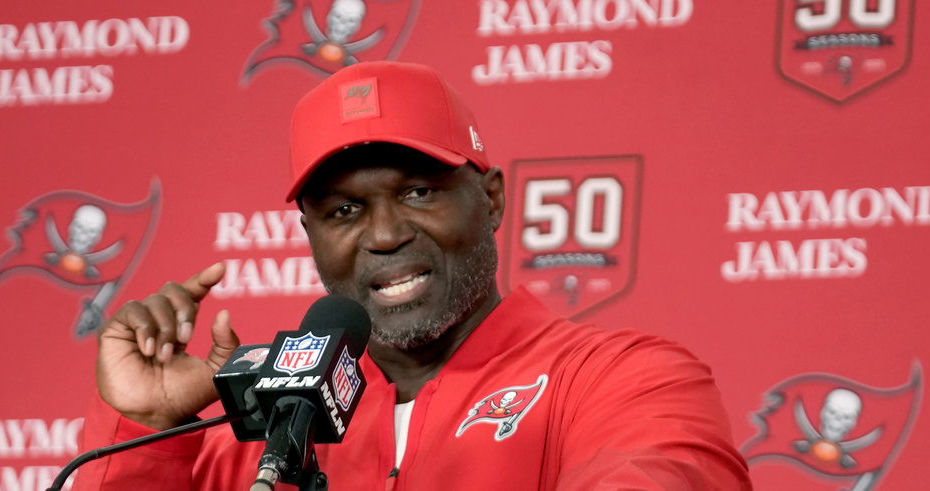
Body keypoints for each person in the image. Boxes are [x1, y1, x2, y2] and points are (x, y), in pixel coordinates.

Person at [75, 61, 753, 490]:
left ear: (490, 198)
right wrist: (138, 430)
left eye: (418, 192)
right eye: (344, 209)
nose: (385, 233)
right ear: (311, 237)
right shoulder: (254, 440)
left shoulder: (623, 379)